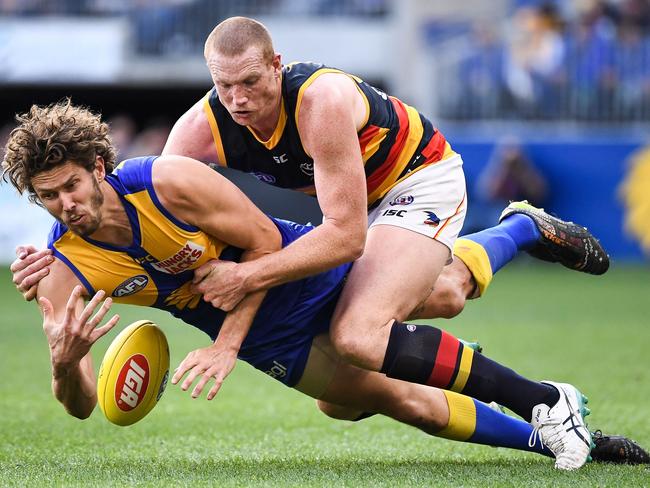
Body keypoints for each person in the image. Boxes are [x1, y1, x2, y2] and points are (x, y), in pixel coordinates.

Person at [10, 17, 611, 468]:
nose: (240, 100)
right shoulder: (188, 143)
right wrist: (64, 361)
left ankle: (545, 406)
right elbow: (81, 397)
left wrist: (236, 302)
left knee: (364, 333)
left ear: (277, 64)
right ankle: (522, 240)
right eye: (225, 88)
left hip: (413, 179)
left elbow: (336, 238)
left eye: (251, 81)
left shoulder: (317, 102)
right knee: (399, 354)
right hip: (315, 257)